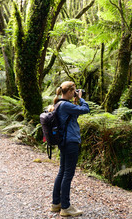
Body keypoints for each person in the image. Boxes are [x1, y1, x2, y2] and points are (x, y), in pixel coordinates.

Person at [49, 81, 90, 217]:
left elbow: (74, 115)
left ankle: (56, 204)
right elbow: (85, 109)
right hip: (71, 142)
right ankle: (65, 207)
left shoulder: (59, 104)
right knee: (68, 174)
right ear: (71, 92)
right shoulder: (66, 105)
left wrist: (75, 100)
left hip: (64, 142)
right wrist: (80, 98)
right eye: (74, 91)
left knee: (62, 172)